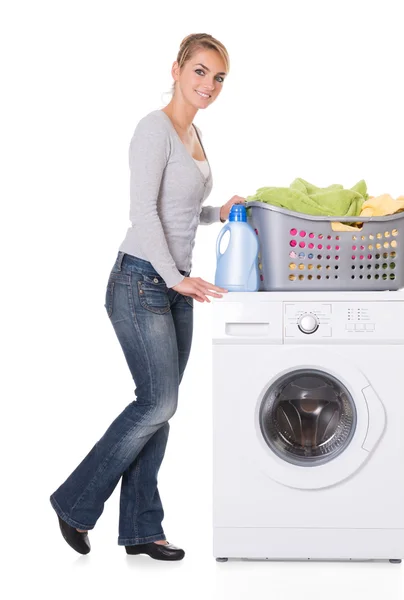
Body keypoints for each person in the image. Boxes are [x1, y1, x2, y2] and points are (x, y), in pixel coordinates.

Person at [50, 33, 245, 561]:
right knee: (158, 400)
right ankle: (74, 502)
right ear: (178, 68)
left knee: (159, 408)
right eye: (201, 71)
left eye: (219, 77)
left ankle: (141, 527)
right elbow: (143, 214)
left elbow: (178, 213)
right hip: (140, 280)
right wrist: (174, 276)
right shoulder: (152, 129)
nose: (209, 85)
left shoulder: (195, 134)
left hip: (175, 283)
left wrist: (218, 214)